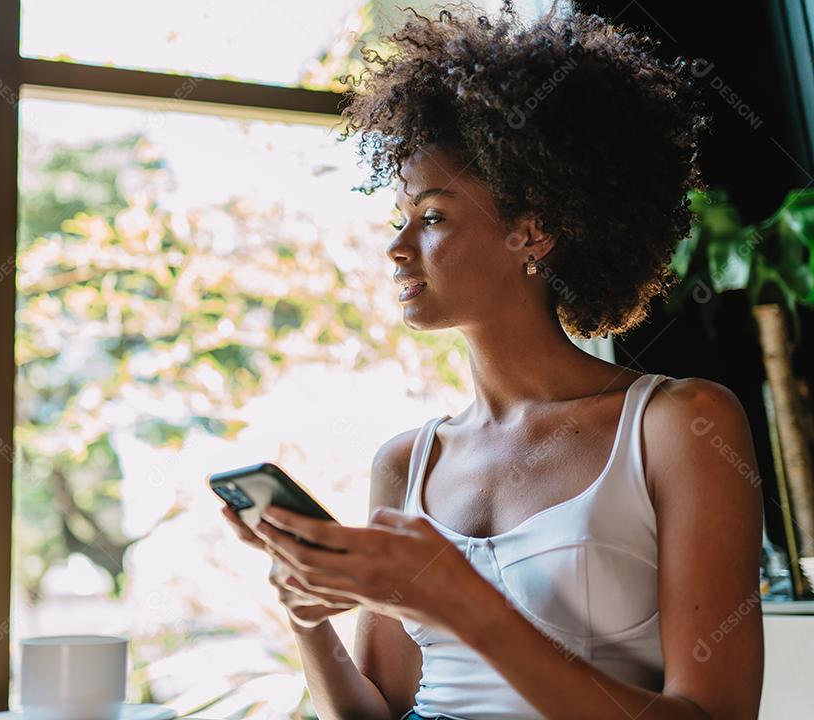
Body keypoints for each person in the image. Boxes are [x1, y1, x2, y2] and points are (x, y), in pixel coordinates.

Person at [219, 2, 765, 719]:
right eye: (402, 216)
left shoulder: (680, 425)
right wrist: (305, 616)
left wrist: (459, 602)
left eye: (434, 215)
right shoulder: (405, 463)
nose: (397, 245)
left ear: (532, 231)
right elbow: (377, 711)